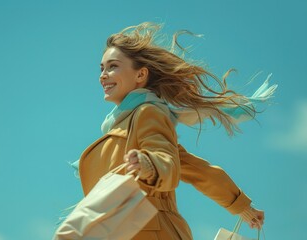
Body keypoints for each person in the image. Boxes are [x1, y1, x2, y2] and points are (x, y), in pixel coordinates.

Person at [67, 22, 275, 239]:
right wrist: (241, 206)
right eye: (102, 68)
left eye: (113, 66)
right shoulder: (123, 124)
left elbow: (164, 159)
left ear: (140, 75)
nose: (103, 75)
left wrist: (149, 164)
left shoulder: (148, 112)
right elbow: (197, 169)